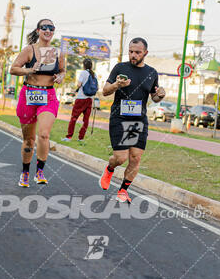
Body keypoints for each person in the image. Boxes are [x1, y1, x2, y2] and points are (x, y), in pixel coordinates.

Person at [99, 37, 165, 203]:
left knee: (135, 157)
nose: (133, 55)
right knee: (120, 158)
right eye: (131, 52)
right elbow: (105, 91)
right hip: (119, 117)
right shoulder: (120, 68)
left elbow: (154, 97)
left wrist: (160, 96)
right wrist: (117, 86)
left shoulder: (151, 73)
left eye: (137, 52)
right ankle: (110, 168)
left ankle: (123, 190)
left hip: (138, 120)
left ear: (145, 53)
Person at [10, 18, 65, 187]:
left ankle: (40, 170)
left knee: (44, 135)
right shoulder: (29, 50)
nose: (48, 30)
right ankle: (25, 172)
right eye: (44, 27)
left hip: (48, 96)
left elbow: (63, 71)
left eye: (51, 28)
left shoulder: (58, 53)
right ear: (38, 31)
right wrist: (29, 70)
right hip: (29, 94)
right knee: (29, 140)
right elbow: (13, 68)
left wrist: (59, 77)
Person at [62, 58, 97, 143]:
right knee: (86, 120)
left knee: (74, 118)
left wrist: (76, 90)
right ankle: (81, 138)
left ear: (84, 65)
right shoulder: (94, 74)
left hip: (81, 98)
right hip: (90, 99)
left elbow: (79, 84)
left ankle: (69, 136)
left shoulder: (83, 73)